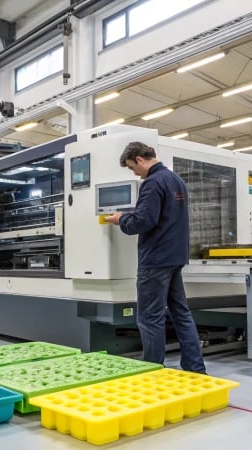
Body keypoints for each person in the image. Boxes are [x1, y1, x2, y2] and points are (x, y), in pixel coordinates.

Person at [105, 142, 206, 374]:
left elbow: (143, 221)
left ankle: (152, 369)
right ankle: (195, 368)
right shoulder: (175, 179)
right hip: (175, 256)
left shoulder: (152, 183)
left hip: (156, 258)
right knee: (181, 313)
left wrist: (121, 219)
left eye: (132, 168)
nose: (134, 173)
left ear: (140, 159)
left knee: (150, 317)